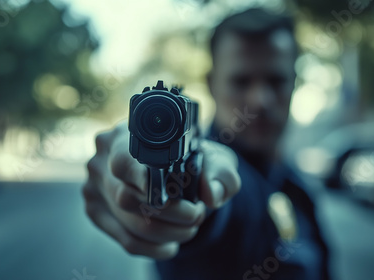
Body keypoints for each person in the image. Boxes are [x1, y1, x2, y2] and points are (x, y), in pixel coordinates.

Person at [83, 8, 331, 280]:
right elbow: (222, 202)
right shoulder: (210, 168)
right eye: (241, 81)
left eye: (276, 80)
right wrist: (189, 193)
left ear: (294, 83)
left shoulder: (297, 185)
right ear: (212, 85)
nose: (261, 100)